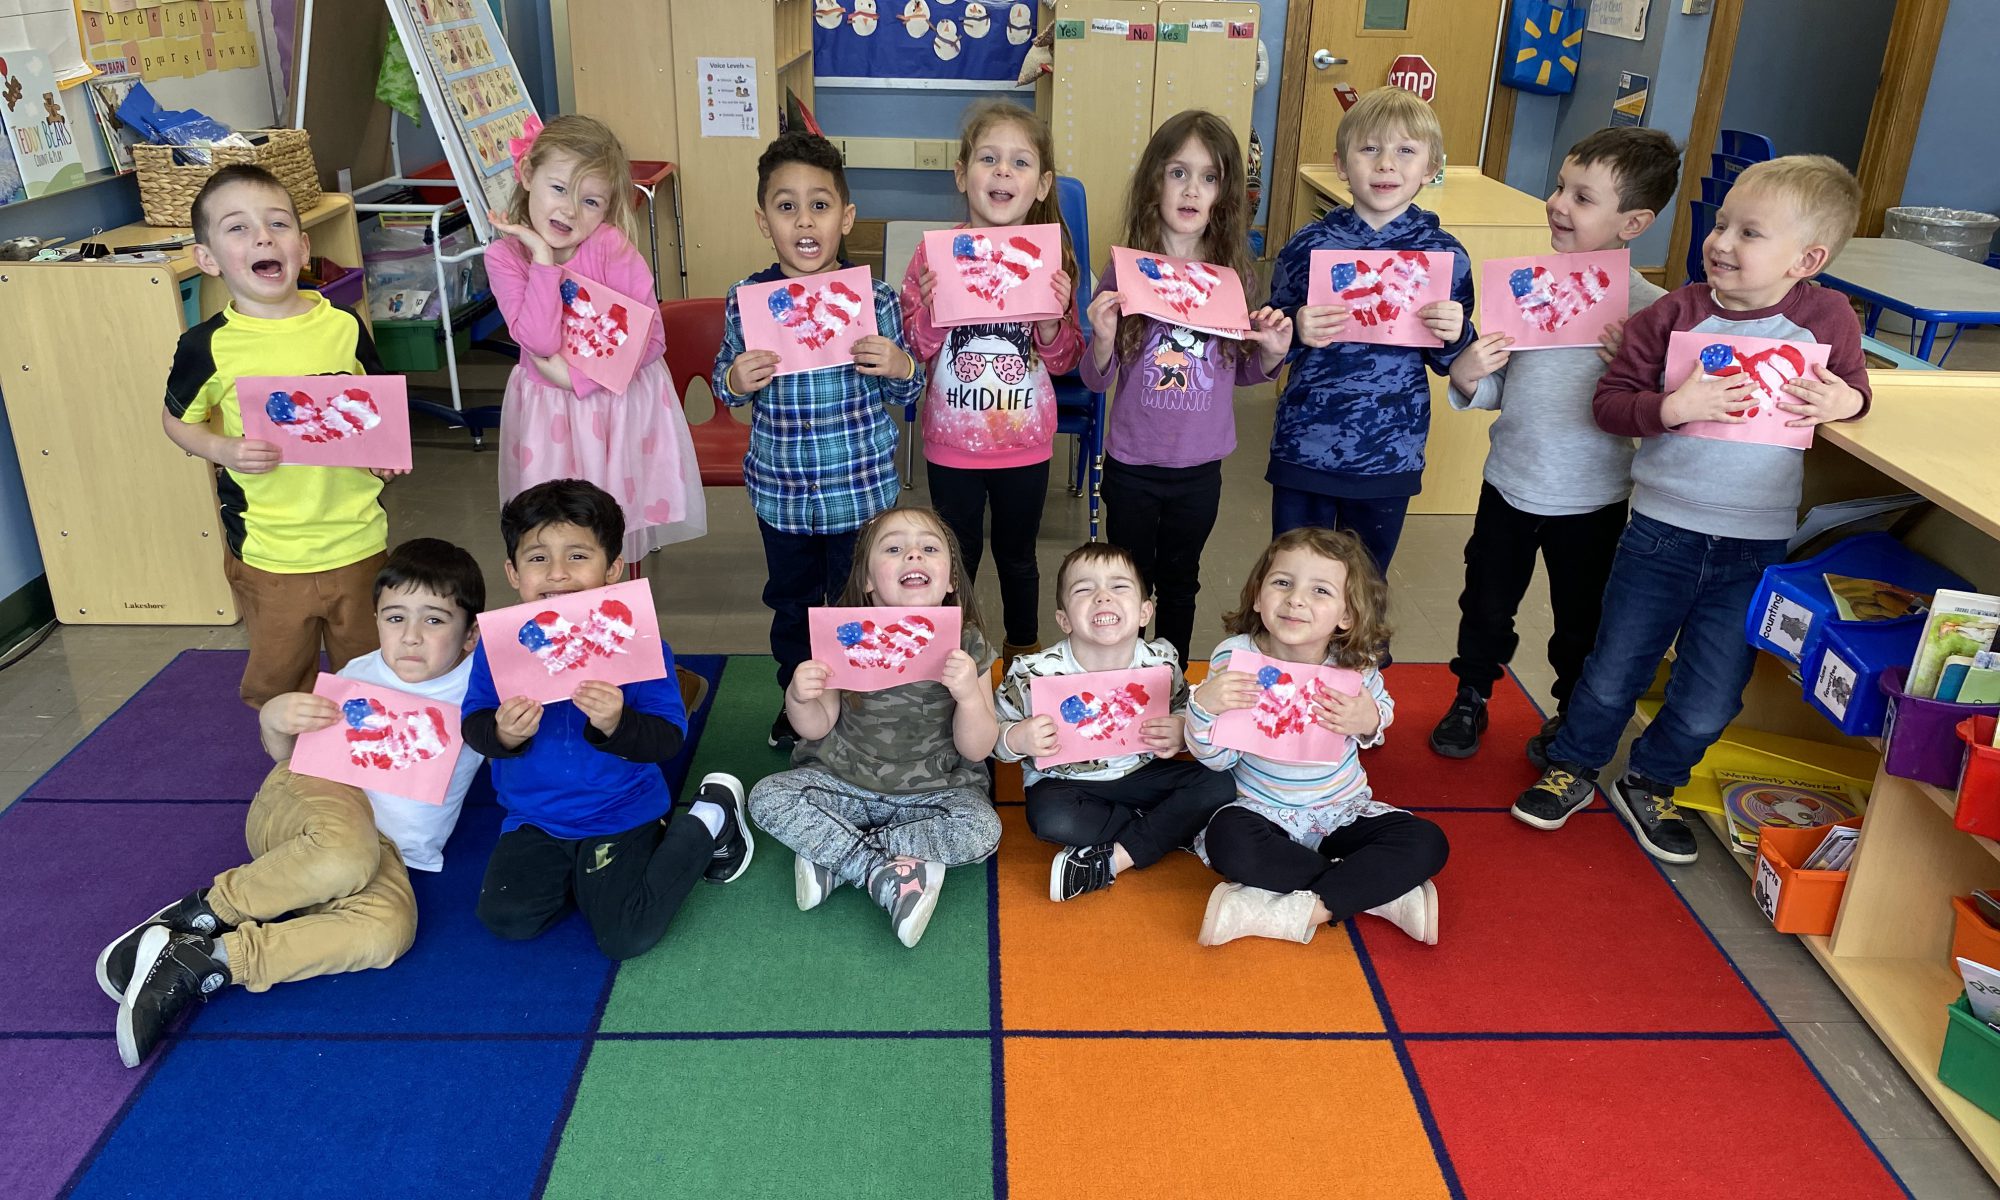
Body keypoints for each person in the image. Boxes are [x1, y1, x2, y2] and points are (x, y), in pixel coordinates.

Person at [1512, 155, 1871, 863]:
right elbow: (1611, 405)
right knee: (1615, 665)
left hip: (1755, 545)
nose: (1722, 241)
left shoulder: (1825, 320)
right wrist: (1673, 408)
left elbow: (1856, 391)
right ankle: (1575, 763)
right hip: (1661, 532)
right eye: (1722, 222)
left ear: (1807, 258)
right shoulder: (1674, 313)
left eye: (1749, 233)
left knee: (1713, 692)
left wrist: (1846, 400)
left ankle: (1653, 778)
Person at [95, 538, 489, 1068]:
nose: (411, 637)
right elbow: (287, 758)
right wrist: (274, 720)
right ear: (377, 620)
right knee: (345, 852)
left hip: (386, 849)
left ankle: (203, 959)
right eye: (395, 618)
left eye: (436, 621)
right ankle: (202, 912)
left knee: (388, 931)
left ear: (472, 635)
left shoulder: (485, 685)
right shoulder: (355, 679)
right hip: (310, 803)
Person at [1429, 127, 1682, 762]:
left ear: (1634, 223)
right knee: (1485, 603)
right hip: (1510, 481)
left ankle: (1573, 710)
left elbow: (1663, 415)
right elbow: (1501, 389)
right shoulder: (1529, 286)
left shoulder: (1656, 314)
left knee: (1582, 617)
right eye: (1560, 186)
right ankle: (1471, 695)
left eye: (1583, 197)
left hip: (1595, 497)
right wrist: (1467, 376)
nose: (1557, 203)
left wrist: (1644, 366)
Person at [462, 480, 752, 958]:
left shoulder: (638, 645)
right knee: (506, 919)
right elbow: (473, 723)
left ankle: (710, 817)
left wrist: (616, 723)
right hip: (535, 818)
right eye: (537, 558)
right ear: (513, 573)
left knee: (625, 935)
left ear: (612, 569)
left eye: (578, 556)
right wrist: (501, 733)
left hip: (622, 813)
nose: (557, 574)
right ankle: (587, 879)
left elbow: (666, 739)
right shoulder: (500, 648)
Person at [713, 130, 925, 751]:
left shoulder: (876, 300)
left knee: (861, 609)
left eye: (821, 205)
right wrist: (737, 377)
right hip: (783, 499)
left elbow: (911, 394)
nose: (804, 221)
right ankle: (799, 701)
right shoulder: (748, 303)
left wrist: (900, 365)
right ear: (763, 221)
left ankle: (862, 707)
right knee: (793, 611)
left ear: (846, 218)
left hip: (861, 500)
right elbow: (727, 392)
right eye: (786, 206)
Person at [161, 164, 399, 709]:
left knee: (367, 671)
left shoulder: (343, 324)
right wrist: (222, 449)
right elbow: (177, 420)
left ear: (303, 243)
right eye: (237, 228)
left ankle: (358, 762)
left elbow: (378, 407)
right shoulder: (208, 346)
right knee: (280, 680)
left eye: (277, 224)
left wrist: (384, 454)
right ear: (207, 259)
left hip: (358, 538)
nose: (263, 237)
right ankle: (290, 764)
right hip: (269, 552)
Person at [1081, 110, 1294, 667]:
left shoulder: (1233, 276)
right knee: (1128, 580)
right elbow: (1096, 378)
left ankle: (1169, 676)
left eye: (1208, 177)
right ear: (1155, 181)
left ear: (1223, 194)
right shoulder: (1124, 270)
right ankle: (1123, 675)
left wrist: (1270, 356)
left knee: (1181, 578)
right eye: (1178, 172)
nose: (1192, 189)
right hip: (1131, 460)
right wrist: (1102, 338)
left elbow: (1235, 370)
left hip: (1199, 466)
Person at [747, 506, 1002, 948]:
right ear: (867, 580)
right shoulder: (844, 634)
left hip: (934, 793)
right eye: (894, 548)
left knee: (982, 829)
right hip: (844, 783)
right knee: (767, 796)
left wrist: (967, 695)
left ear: (951, 579)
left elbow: (978, 748)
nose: (913, 557)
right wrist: (797, 697)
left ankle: (833, 854)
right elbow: (816, 727)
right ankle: (884, 870)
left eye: (928, 548)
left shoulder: (968, 642)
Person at [1185, 528, 1449, 947]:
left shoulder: (1355, 665)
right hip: (1261, 813)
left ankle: (1296, 909)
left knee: (1427, 842)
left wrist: (1369, 719)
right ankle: (1377, 895)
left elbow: (1381, 715)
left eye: (1320, 590)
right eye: (1282, 582)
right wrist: (1204, 708)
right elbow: (1215, 760)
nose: (1296, 599)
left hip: (1341, 809)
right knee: (1228, 841)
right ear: (1258, 596)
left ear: (1346, 615)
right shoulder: (1236, 658)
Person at [901, 99, 1085, 664]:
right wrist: (930, 311)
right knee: (955, 562)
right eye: (988, 158)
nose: (1003, 172)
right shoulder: (932, 257)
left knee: (1018, 556)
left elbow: (1064, 359)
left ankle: (1023, 656)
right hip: (952, 445)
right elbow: (913, 351)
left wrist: (1053, 322)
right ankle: (951, 660)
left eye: (1020, 162)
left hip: (1024, 446)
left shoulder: (1052, 260)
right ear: (962, 174)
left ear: (1041, 183)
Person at [1265, 87, 1474, 577]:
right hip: (1306, 443)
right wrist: (1295, 327)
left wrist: (1456, 332)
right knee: (1295, 575)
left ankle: (1361, 657)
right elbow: (1269, 337)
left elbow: (1451, 361)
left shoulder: (1445, 256)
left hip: (1390, 450)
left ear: (1431, 167)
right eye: (1369, 149)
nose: (1386, 165)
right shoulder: (1308, 245)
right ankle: (1292, 657)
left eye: (1406, 151)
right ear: (1341, 164)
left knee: (1366, 583)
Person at [487, 114, 706, 568]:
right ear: (528, 175)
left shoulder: (610, 247)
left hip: (617, 411)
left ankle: (617, 623)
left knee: (609, 537)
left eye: (590, 201)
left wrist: (576, 377)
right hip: (547, 416)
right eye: (559, 189)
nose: (569, 211)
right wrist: (544, 262)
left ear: (608, 207)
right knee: (551, 534)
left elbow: (651, 339)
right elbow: (537, 336)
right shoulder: (505, 256)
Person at [994, 542, 1234, 902]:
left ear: (1144, 611)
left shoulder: (1162, 661)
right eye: (1084, 589)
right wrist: (1016, 738)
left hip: (1142, 774)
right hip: (1065, 783)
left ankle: (1115, 855)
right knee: (1050, 821)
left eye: (1119, 587)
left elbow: (1188, 710)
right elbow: (992, 735)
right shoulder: (1032, 672)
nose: (1103, 597)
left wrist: (1182, 730)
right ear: (1063, 619)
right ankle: (1165, 828)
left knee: (1220, 785)